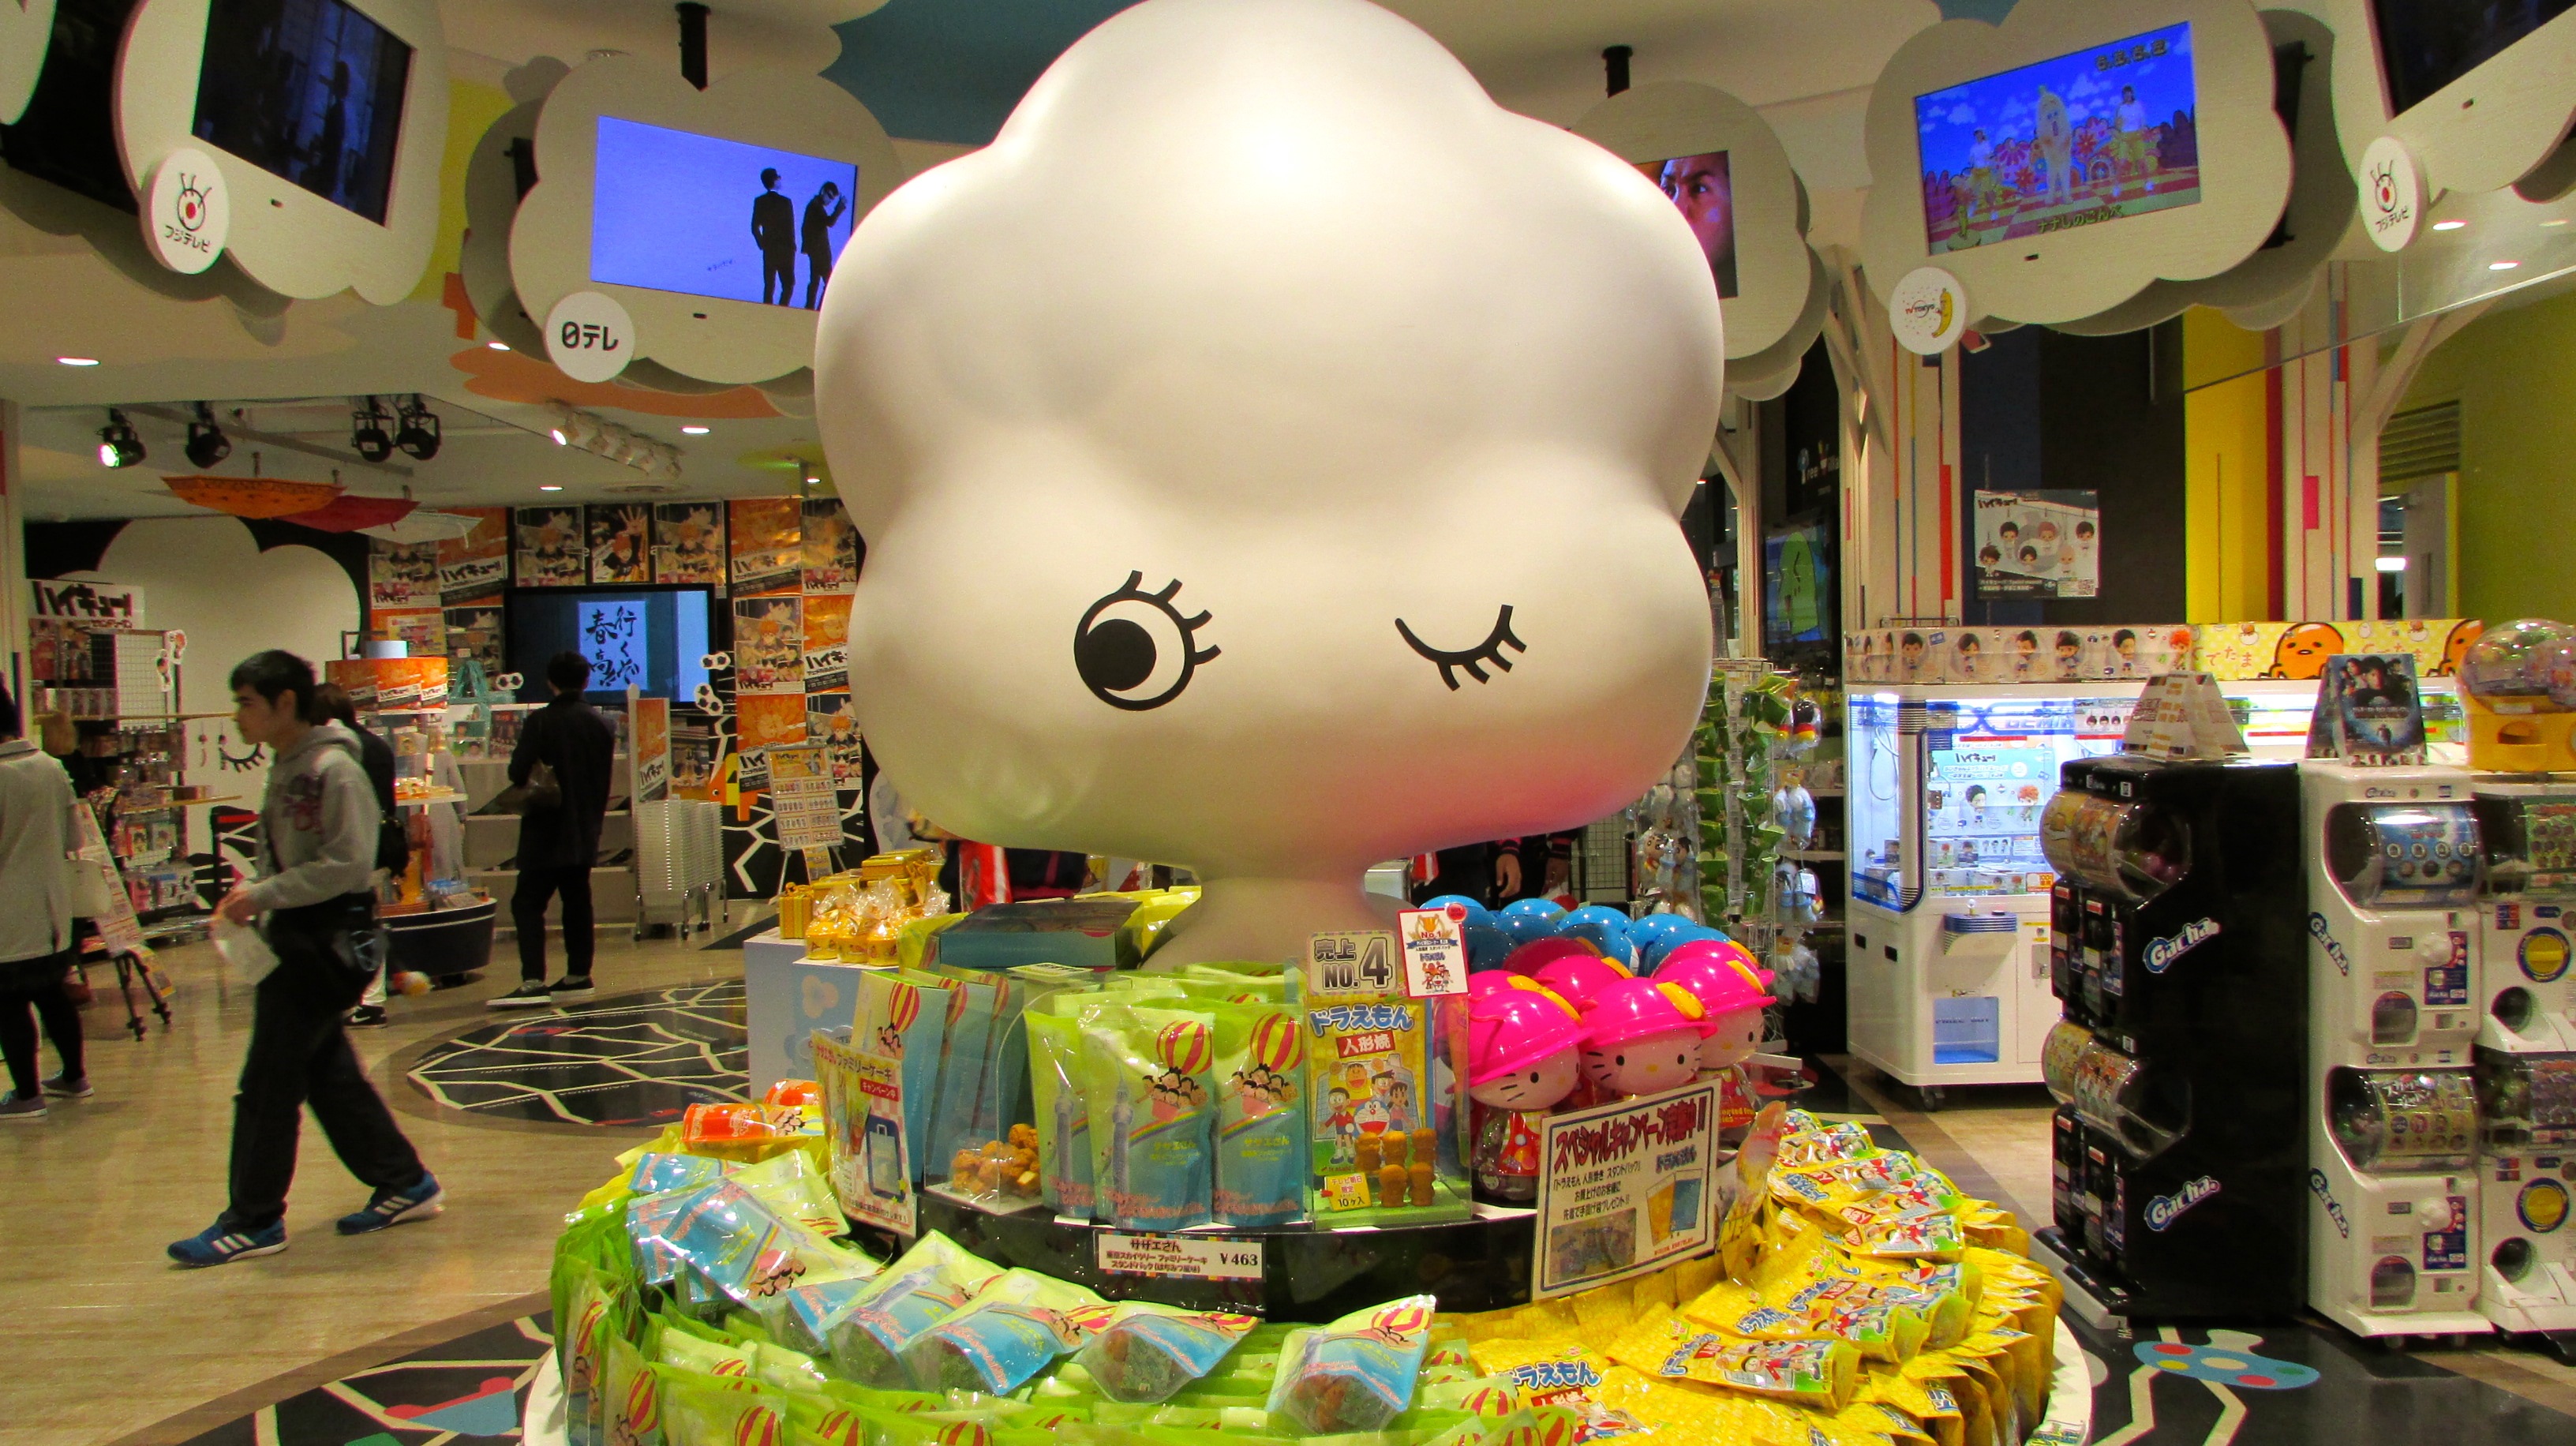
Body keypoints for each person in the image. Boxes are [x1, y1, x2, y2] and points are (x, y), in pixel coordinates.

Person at [168, 650, 440, 1266]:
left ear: (285, 702)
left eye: (246, 702)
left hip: (326, 943)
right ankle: (403, 1180)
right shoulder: (290, 765)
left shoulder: (332, 769)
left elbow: (347, 864)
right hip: (296, 936)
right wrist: (256, 900)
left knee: (268, 1082)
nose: (237, 716)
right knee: (327, 1075)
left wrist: (263, 894)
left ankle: (254, 1218)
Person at [489, 651, 616, 1008]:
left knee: (527, 902)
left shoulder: (541, 721)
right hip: (585, 826)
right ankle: (578, 974)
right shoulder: (602, 724)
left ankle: (533, 980)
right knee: (577, 900)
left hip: (545, 828)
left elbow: (518, 772)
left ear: (550, 681)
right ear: (586, 680)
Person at [0, 683, 87, 1121]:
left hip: (6, 911)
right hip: (54, 905)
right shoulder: (52, 768)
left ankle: (27, 1094)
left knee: (8, 1001)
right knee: (52, 992)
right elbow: (75, 839)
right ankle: (74, 1076)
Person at [312, 683, 409, 1028]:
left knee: (343, 923)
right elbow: (388, 803)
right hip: (379, 846)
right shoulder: (377, 745)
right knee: (365, 920)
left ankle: (357, 999)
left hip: (345, 848)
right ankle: (370, 1000)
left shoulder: (334, 752)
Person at [751, 167, 797, 305]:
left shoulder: (760, 201)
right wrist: (792, 247)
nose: (780, 180)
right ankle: (782, 309)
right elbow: (790, 227)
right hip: (785, 250)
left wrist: (763, 244)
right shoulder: (786, 202)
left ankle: (770, 311)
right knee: (787, 284)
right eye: (778, 178)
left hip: (771, 250)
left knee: (770, 286)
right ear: (774, 180)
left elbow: (754, 227)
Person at [801, 180, 846, 309]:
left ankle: (811, 308)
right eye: (829, 196)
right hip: (819, 253)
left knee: (816, 282)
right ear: (823, 192)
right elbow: (830, 222)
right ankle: (818, 309)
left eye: (832, 198)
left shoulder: (815, 205)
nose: (830, 200)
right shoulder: (815, 207)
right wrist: (840, 207)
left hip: (817, 252)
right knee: (828, 284)